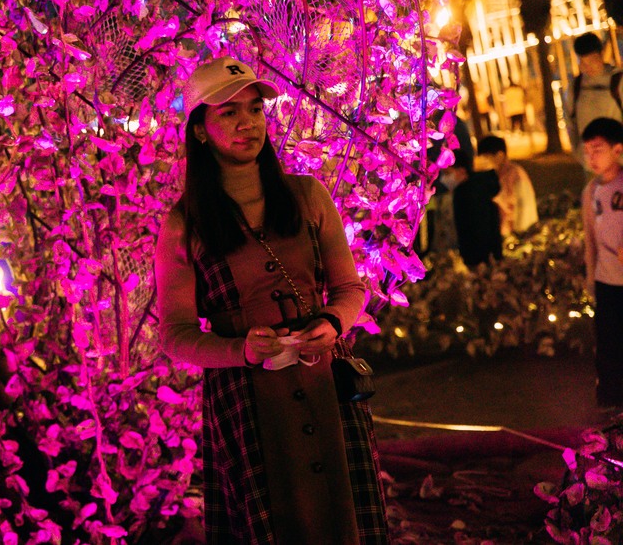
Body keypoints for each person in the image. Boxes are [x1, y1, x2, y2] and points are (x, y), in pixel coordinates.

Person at [154, 56, 388, 544]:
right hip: (245, 399)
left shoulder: (307, 195)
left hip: (325, 379)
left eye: (255, 109)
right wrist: (238, 350)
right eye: (228, 112)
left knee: (343, 519)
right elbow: (174, 334)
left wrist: (333, 323)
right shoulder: (183, 225)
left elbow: (350, 288)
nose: (248, 123)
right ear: (199, 130)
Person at [581, 117, 623, 408]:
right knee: (608, 341)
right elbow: (590, 238)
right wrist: (590, 277)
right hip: (606, 279)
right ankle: (611, 399)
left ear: (617, 150)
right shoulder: (590, 191)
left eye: (597, 150)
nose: (591, 158)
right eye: (587, 151)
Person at [440, 149, 502, 267]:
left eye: (447, 173)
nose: (444, 178)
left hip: (479, 262)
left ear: (461, 171)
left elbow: (479, 231)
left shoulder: (469, 194)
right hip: (482, 260)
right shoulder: (473, 189)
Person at [566, 33, 623, 158]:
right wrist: (579, 154)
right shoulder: (575, 86)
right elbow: (570, 123)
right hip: (590, 161)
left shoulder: (618, 81)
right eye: (583, 62)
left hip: (618, 160)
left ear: (601, 55)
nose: (588, 67)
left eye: (592, 60)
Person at [476, 135, 538, 237]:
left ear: (500, 155)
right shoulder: (496, 175)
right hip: (504, 233)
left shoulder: (515, 174)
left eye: (487, 157)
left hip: (518, 234)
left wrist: (519, 234)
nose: (483, 162)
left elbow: (524, 206)